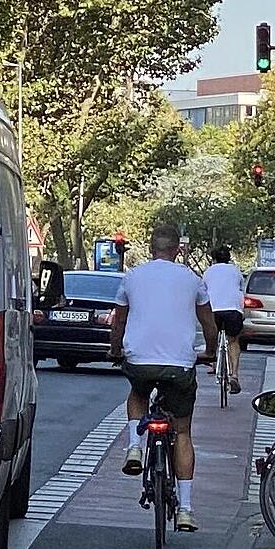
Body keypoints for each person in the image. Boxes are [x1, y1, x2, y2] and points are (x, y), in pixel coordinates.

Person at [110, 227, 219, 533]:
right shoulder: (193, 280)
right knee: (182, 431)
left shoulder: (132, 277)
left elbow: (119, 319)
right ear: (177, 250)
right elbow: (208, 324)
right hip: (179, 366)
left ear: (150, 249)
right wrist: (210, 352)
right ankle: (185, 509)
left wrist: (115, 350)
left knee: (138, 394)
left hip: (140, 361)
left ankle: (134, 446)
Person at [201, 246, 246, 396]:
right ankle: (234, 375)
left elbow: (203, 290)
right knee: (233, 341)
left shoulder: (208, 272)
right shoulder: (235, 270)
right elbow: (240, 288)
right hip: (233, 309)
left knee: (212, 334)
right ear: (229, 257)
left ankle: (212, 362)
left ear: (213, 259)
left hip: (214, 309)